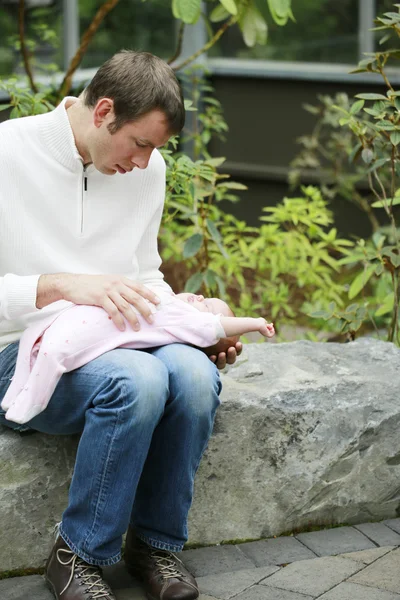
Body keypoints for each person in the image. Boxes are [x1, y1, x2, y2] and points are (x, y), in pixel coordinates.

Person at [0, 51, 243, 600]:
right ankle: (76, 554)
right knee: (135, 379)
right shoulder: (6, 152)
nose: (145, 163)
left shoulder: (145, 170)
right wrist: (60, 285)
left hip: (114, 340)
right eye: (140, 143)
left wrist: (193, 323)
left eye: (155, 150)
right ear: (103, 110)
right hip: (15, 355)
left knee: (193, 375)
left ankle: (154, 545)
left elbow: (143, 278)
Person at [2, 289, 275, 424]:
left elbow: (216, 327)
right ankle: (15, 395)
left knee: (51, 356)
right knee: (34, 345)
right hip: (65, 317)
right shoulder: (166, 299)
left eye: (208, 305)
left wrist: (256, 322)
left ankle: (26, 403)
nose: (201, 296)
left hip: (82, 334)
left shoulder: (184, 319)